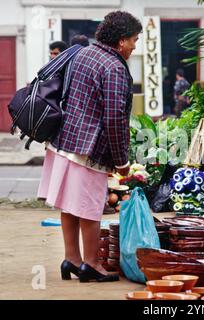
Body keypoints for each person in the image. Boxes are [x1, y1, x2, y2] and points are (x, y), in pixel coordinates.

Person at [37, 11, 142, 282]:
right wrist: (122, 162)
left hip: (63, 139)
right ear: (120, 41)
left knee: (69, 205)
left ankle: (71, 259)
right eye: (133, 40)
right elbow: (115, 118)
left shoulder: (82, 53)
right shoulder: (115, 67)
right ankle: (92, 264)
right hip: (88, 148)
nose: (134, 45)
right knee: (89, 207)